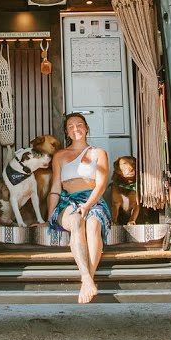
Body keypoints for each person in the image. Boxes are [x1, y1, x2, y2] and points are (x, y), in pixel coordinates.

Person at [46, 112, 112, 303]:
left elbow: (100, 185)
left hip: (93, 200)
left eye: (80, 124)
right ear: (66, 132)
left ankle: (87, 280)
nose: (76, 128)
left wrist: (88, 205)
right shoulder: (59, 156)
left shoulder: (98, 153)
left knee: (92, 225)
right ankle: (87, 278)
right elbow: (55, 189)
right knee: (76, 220)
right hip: (68, 202)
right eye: (71, 126)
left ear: (87, 127)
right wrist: (48, 217)